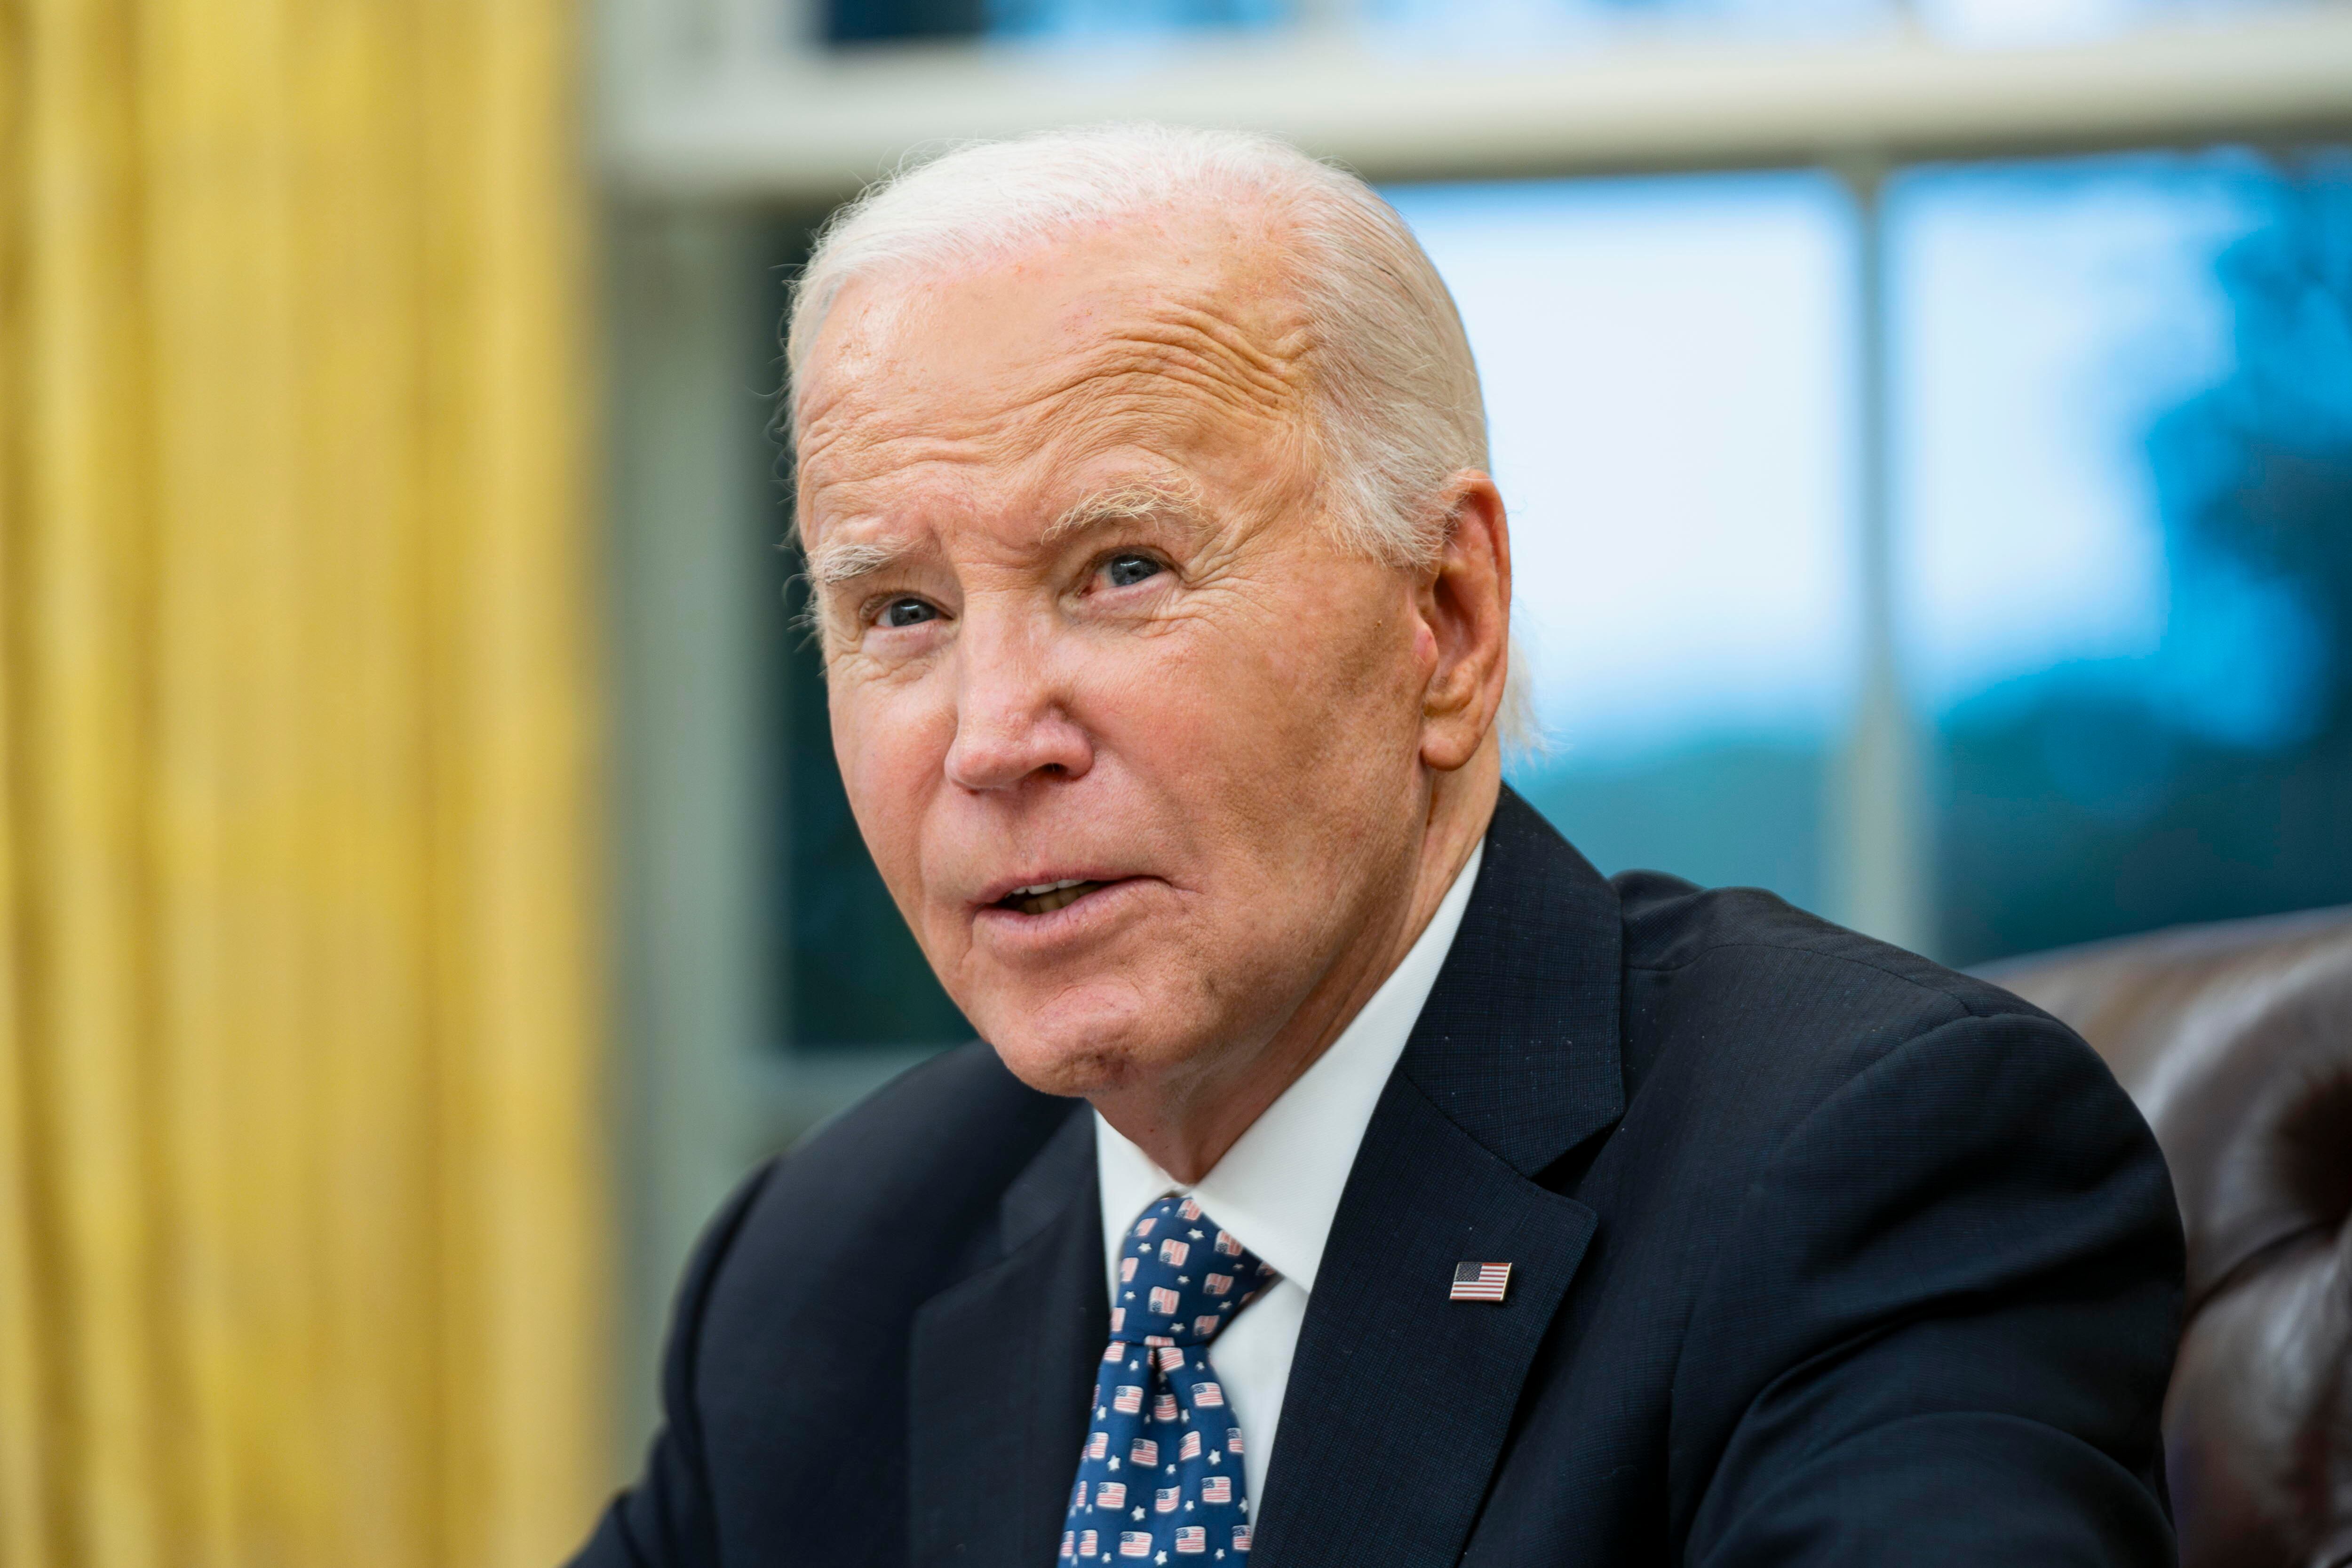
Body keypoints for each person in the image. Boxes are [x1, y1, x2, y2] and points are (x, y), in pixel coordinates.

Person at [571, 124, 2181, 1568]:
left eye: (1123, 570)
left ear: (1449, 621)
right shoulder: (827, 1264)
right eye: (902, 613)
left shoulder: (1872, 1164)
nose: (994, 738)